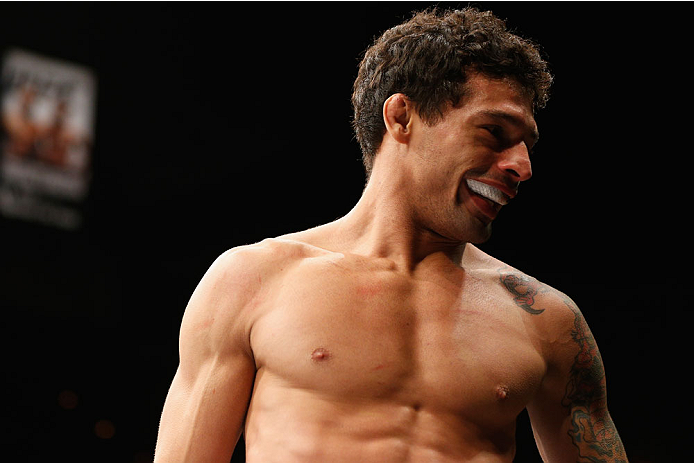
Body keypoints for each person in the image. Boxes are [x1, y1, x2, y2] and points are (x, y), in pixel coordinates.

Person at [154, 7, 628, 462]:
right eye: (493, 131)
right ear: (402, 117)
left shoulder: (548, 321)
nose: (521, 166)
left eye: (526, 144)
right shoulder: (252, 280)